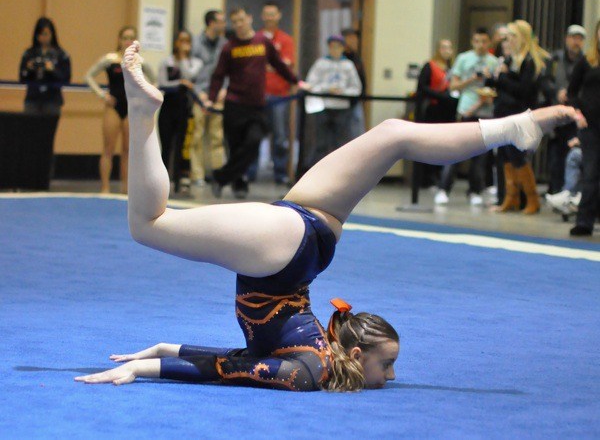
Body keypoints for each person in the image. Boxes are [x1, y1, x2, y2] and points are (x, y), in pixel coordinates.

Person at [74, 41, 580, 391]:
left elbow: (232, 364)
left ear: (355, 356)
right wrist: (153, 369)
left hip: (310, 237)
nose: (393, 377)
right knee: (147, 225)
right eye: (391, 365)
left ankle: (518, 126)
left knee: (393, 135)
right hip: (281, 250)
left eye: (390, 365)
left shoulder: (311, 367)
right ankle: (143, 115)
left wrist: (163, 351)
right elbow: (233, 367)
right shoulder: (311, 368)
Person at [207, 7, 305, 199]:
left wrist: (295, 81)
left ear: (250, 18)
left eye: (241, 20)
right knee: (235, 148)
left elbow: (278, 64)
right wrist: (211, 100)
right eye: (234, 22)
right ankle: (239, 184)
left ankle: (220, 177)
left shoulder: (262, 42)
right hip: (234, 105)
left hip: (256, 106)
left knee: (252, 142)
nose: (238, 25)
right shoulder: (229, 48)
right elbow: (218, 76)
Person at [486, 20, 551, 215]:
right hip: (505, 113)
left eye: (512, 36)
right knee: (506, 156)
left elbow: (524, 90)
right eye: (507, 37)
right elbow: (503, 83)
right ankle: (511, 198)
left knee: (518, 157)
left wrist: (503, 78)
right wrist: (494, 78)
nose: (508, 40)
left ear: (521, 37)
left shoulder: (529, 61)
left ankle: (532, 199)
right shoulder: (510, 59)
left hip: (519, 115)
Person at [86, 26, 154, 194]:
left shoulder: (139, 62)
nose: (128, 41)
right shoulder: (110, 59)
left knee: (128, 151)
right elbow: (88, 76)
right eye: (125, 37)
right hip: (113, 107)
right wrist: (103, 95)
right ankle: (105, 187)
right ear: (119, 39)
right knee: (108, 149)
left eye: (132, 38)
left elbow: (155, 80)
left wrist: (144, 97)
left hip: (131, 108)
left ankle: (126, 189)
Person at [436, 28, 498, 206]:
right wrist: (471, 79)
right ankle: (443, 188)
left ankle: (475, 190)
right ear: (472, 41)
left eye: (484, 41)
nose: (480, 45)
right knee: (456, 150)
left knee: (481, 154)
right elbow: (453, 86)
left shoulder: (493, 62)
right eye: (477, 41)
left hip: (486, 111)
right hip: (466, 109)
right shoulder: (464, 59)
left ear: (489, 43)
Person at [249, 0, 296, 185]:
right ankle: (250, 173)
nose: (269, 17)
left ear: (278, 16)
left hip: (280, 96)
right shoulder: (255, 38)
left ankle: (280, 173)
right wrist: (272, 65)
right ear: (262, 16)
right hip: (257, 96)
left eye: (273, 14)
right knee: (254, 135)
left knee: (280, 137)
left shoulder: (286, 40)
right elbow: (252, 66)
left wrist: (268, 65)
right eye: (266, 14)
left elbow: (287, 64)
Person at [305, 35, 362, 165]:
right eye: (332, 46)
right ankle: (317, 170)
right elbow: (311, 84)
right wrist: (326, 89)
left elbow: (356, 88)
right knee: (321, 142)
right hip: (323, 107)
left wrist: (343, 92)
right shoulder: (321, 63)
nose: (335, 49)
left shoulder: (348, 65)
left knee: (341, 142)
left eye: (338, 47)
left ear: (342, 48)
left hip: (342, 108)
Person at [157, 30, 202, 192]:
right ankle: (164, 180)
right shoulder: (167, 62)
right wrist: (180, 82)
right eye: (181, 41)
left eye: (187, 41)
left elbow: (190, 76)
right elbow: (162, 84)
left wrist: (183, 59)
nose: (184, 44)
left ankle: (180, 178)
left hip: (185, 107)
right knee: (167, 143)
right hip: (168, 106)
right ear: (175, 42)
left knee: (182, 144)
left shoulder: (195, 62)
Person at [544, 25, 586, 195]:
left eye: (580, 39)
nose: (576, 42)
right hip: (556, 113)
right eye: (573, 38)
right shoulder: (554, 59)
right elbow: (544, 81)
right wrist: (556, 92)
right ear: (566, 39)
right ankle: (555, 190)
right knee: (555, 154)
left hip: (577, 113)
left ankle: (569, 192)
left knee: (572, 154)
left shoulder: (587, 61)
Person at [569, 20, 600, 237]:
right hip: (589, 126)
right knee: (591, 172)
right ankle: (584, 221)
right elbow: (572, 93)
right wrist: (577, 114)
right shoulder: (586, 61)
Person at [190, 10, 227, 187]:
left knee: (216, 136)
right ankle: (197, 175)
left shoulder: (225, 44)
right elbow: (190, 71)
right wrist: (200, 94)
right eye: (220, 21)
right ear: (211, 23)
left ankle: (217, 174)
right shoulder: (196, 43)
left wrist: (224, 89)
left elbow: (228, 70)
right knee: (197, 135)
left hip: (218, 96)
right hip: (200, 95)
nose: (224, 24)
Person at [415, 38, 456, 190]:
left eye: (449, 47)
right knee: (430, 144)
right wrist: (440, 95)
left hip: (448, 110)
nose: (447, 50)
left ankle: (440, 177)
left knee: (445, 145)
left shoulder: (452, 67)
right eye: (444, 47)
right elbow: (422, 87)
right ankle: (428, 178)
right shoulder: (430, 65)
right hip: (433, 109)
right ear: (438, 49)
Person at [19, 17, 71, 115]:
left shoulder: (61, 55)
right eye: (40, 34)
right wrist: (29, 69)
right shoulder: (29, 54)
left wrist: (52, 69)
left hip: (52, 99)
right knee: (29, 128)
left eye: (46, 34)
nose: (43, 37)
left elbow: (66, 79)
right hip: (32, 99)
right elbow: (22, 78)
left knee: (49, 128)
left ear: (52, 34)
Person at [342, 28, 367, 140]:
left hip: (356, 101)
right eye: (351, 38)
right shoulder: (341, 59)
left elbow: (362, 80)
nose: (354, 41)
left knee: (357, 134)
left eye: (355, 38)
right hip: (342, 103)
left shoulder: (356, 57)